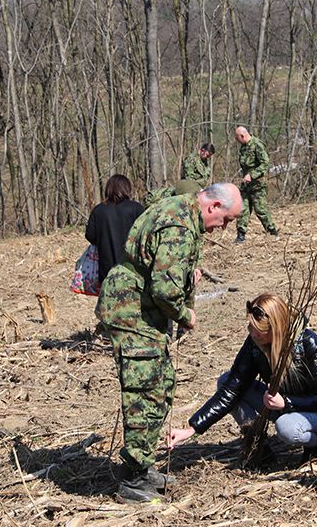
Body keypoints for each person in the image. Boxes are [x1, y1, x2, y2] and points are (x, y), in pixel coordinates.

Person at [96, 182, 243, 502]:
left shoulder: (182, 208)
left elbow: (164, 264)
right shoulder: (179, 223)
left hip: (141, 312)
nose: (223, 229)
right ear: (214, 207)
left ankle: (143, 464)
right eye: (227, 220)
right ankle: (134, 479)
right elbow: (165, 289)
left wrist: (189, 272)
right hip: (132, 313)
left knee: (160, 385)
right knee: (144, 393)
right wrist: (184, 313)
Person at [167, 293, 317, 464]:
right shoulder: (255, 343)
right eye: (251, 327)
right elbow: (231, 388)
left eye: (259, 330)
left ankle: (316, 445)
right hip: (281, 404)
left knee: (287, 428)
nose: (253, 333)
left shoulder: (307, 342)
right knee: (225, 381)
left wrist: (287, 402)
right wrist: (192, 428)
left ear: (276, 328)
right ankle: (258, 446)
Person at [86, 174, 145, 284]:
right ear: (127, 189)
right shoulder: (136, 208)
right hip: (133, 272)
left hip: (107, 272)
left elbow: (90, 236)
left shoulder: (98, 210)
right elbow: (146, 235)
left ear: (108, 189)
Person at [233, 126, 278, 243]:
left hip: (257, 185)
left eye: (237, 138)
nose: (236, 141)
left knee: (260, 210)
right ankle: (240, 235)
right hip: (246, 185)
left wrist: (252, 175)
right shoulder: (243, 148)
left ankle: (272, 232)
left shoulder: (257, 145)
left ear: (242, 136)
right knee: (243, 209)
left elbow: (265, 164)